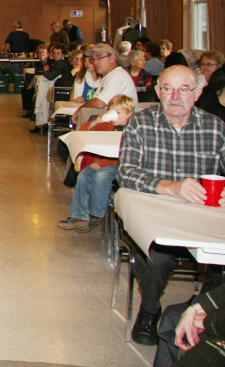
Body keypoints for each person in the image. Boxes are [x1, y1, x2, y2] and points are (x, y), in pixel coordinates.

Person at [117, 65, 225, 345]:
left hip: (202, 216)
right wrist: (171, 187)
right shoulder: (140, 123)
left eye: (184, 89)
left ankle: (202, 308)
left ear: (197, 93)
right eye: (168, 89)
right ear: (157, 91)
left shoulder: (215, 127)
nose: (175, 96)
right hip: (155, 214)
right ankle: (150, 310)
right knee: (155, 255)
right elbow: (125, 173)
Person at [58, 95, 136, 233]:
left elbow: (125, 155)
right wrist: (97, 121)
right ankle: (78, 214)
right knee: (83, 175)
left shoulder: (132, 129)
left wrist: (102, 163)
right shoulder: (108, 126)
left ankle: (96, 214)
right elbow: (84, 132)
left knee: (101, 176)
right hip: (102, 163)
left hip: (121, 166)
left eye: (118, 113)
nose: (114, 115)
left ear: (129, 115)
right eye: (111, 112)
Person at [77, 43, 138, 111]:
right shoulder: (107, 77)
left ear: (112, 58)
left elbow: (99, 103)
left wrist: (80, 109)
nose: (95, 62)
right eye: (93, 59)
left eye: (100, 58)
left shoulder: (118, 76)